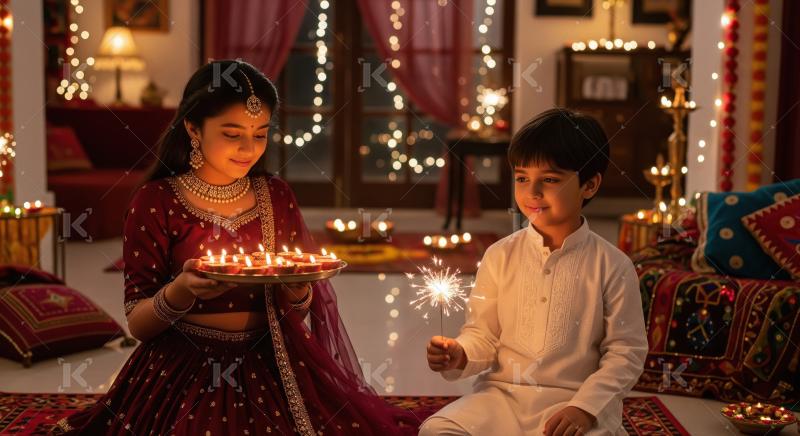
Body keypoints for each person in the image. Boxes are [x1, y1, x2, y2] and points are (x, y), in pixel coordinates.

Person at [55, 60, 419, 435]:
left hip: (271, 360)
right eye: (232, 134)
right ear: (193, 128)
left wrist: (298, 290)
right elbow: (138, 323)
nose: (249, 149)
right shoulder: (156, 200)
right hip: (184, 366)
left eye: (260, 134)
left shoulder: (275, 195)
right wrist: (180, 292)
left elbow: (300, 306)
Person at [420, 108, 648, 436]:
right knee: (436, 431)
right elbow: (483, 334)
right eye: (522, 178)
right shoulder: (500, 254)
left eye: (550, 179)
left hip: (572, 404)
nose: (532, 192)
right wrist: (461, 353)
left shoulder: (612, 265)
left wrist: (585, 408)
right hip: (502, 397)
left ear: (590, 185)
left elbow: (626, 353)